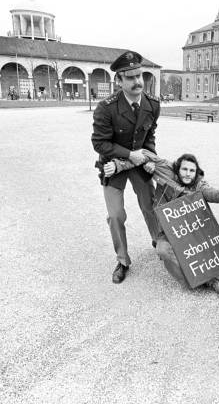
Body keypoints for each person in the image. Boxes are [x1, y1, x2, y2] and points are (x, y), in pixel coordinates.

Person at [103, 151, 219, 295]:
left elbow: (212, 193)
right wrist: (117, 165)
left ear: (196, 173)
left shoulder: (200, 185)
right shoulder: (165, 175)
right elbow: (142, 156)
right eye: (184, 169)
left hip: (196, 231)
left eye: (192, 171)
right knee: (163, 250)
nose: (188, 174)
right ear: (177, 169)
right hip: (171, 234)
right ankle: (210, 282)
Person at [91, 50, 161, 284]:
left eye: (139, 76)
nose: (137, 81)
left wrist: (150, 157)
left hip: (141, 164)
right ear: (119, 81)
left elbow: (149, 134)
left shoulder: (152, 105)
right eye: (130, 77)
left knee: (150, 204)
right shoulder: (106, 108)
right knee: (115, 215)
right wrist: (129, 154)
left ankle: (159, 242)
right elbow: (99, 143)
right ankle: (122, 260)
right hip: (113, 165)